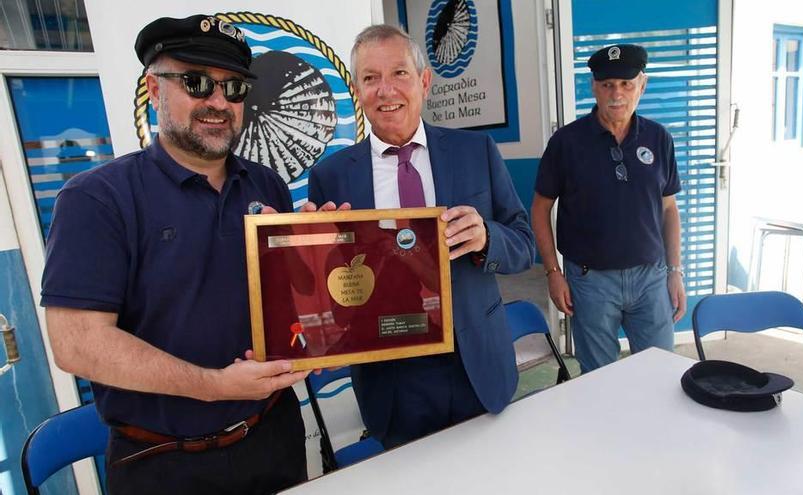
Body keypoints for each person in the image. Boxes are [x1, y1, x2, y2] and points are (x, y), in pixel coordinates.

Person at [41, 15, 311, 494]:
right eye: (196, 82)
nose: (217, 102)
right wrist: (215, 386)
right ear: (154, 87)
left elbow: (286, 306)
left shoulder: (267, 186)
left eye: (232, 88)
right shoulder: (97, 199)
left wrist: (322, 248)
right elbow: (76, 343)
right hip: (162, 464)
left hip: (275, 439)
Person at [305, 24, 535, 448]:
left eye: (399, 74)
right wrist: (311, 256)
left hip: (476, 363)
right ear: (357, 91)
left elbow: (524, 243)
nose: (385, 90)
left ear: (424, 81)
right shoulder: (331, 178)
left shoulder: (475, 150)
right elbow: (328, 287)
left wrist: (487, 237)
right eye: (370, 78)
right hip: (393, 380)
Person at [532, 44, 686, 375]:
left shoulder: (659, 139)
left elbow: (669, 209)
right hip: (590, 282)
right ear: (594, 88)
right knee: (599, 379)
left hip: (650, 278)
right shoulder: (566, 142)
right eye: (607, 85)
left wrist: (675, 271)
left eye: (626, 84)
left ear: (642, 85)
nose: (616, 94)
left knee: (661, 373)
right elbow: (540, 209)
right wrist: (552, 273)